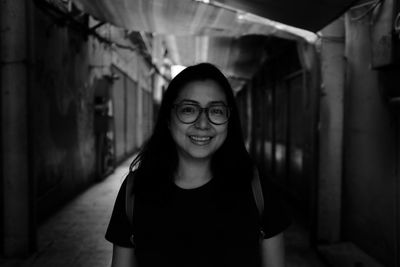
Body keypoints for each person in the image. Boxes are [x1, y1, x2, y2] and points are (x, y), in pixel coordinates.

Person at [105, 63, 290, 267]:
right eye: (188, 109)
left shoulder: (257, 189)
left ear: (230, 119)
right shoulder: (135, 191)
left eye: (216, 111)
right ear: (168, 118)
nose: (203, 123)